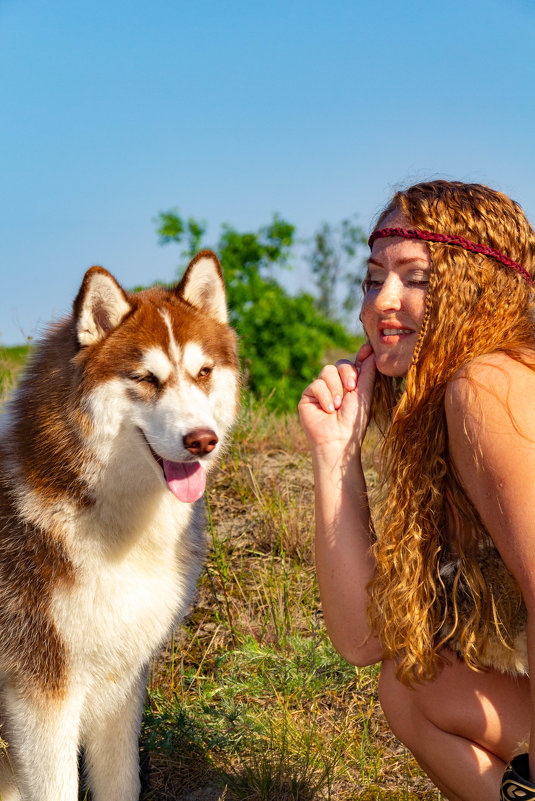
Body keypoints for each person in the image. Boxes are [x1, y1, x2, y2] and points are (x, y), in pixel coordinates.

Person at [298, 180, 535, 801]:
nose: (382, 303)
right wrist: (336, 453)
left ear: (478, 288)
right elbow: (362, 638)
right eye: (374, 279)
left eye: (418, 278)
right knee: (413, 685)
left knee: (417, 689)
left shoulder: (490, 385)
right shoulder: (437, 413)